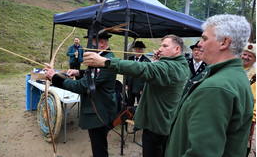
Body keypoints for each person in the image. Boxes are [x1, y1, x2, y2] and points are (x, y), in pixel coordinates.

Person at [84, 34, 189, 157]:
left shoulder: (170, 68)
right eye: (160, 45)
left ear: (177, 49)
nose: (160, 49)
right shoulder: (182, 65)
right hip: (164, 123)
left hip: (155, 126)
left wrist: (106, 62)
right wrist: (159, 61)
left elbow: (143, 69)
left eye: (165, 46)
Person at [165, 14, 254, 157]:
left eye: (205, 38)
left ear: (224, 42)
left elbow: (201, 153)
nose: (199, 44)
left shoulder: (216, 88)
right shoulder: (235, 77)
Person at [44, 27, 116, 157]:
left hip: (100, 113)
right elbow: (93, 74)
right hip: (99, 110)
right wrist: (79, 72)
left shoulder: (105, 61)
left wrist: (55, 77)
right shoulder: (101, 58)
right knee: (99, 147)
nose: (88, 46)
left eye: (91, 42)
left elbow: (82, 86)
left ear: (102, 43)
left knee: (99, 150)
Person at [126, 41, 151, 106]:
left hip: (139, 87)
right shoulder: (130, 59)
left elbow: (147, 76)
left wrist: (143, 88)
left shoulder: (146, 61)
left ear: (142, 50)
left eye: (139, 49)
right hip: (130, 86)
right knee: (129, 103)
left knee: (140, 104)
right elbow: (127, 71)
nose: (137, 51)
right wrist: (126, 83)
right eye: (136, 49)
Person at [242, 42, 256, 156]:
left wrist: (252, 117)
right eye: (244, 54)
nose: (245, 57)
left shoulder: (255, 75)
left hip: (246, 115)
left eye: (250, 56)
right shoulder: (235, 68)